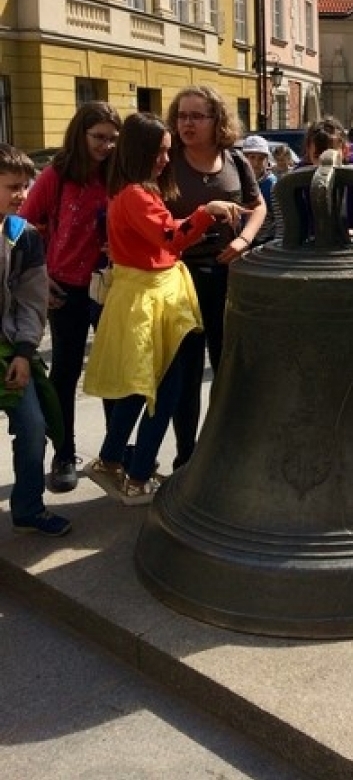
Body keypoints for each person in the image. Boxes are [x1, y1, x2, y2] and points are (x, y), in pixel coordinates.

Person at [83, 113, 242, 504]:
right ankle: (133, 474)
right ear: (141, 151)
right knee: (163, 390)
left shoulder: (134, 190)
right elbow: (171, 237)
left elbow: (163, 233)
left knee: (151, 387)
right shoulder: (136, 194)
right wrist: (209, 211)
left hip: (157, 294)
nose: (166, 160)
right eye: (160, 152)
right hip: (152, 299)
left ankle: (114, 460)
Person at [21, 101, 122, 492]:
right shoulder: (57, 176)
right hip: (64, 287)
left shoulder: (119, 176)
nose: (107, 146)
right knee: (65, 372)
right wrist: (39, 278)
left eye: (114, 139)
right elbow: (21, 226)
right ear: (80, 135)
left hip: (109, 286)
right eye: (99, 138)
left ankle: (114, 452)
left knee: (114, 371)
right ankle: (63, 454)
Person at [165, 86, 265, 469]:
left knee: (228, 367)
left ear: (216, 120)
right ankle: (186, 455)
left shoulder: (235, 161)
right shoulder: (167, 161)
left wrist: (243, 239)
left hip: (227, 274)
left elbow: (256, 207)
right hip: (181, 276)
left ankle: (228, 449)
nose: (187, 123)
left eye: (197, 116)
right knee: (186, 372)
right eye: (182, 116)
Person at [0, 144, 71, 536]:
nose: (22, 195)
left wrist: (25, 353)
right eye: (13, 186)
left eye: (25, 186)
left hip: (11, 350)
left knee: (32, 426)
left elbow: (31, 299)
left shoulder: (23, 235)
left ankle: (28, 507)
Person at [242, 135, 276, 245]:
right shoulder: (238, 180)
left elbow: (279, 218)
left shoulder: (271, 184)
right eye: (252, 157)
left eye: (261, 158)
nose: (256, 163)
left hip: (264, 240)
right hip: (241, 238)